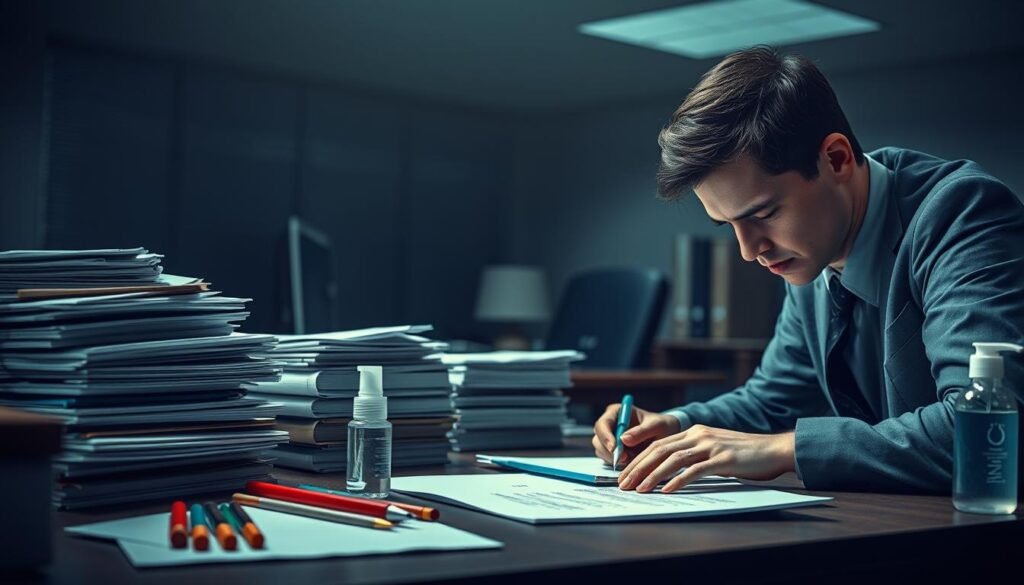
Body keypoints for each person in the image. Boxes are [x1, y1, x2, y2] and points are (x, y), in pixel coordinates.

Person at [593, 46, 1024, 494]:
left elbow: (984, 428)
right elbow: (772, 402)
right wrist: (674, 427)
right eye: (729, 225)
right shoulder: (812, 248)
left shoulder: (964, 214)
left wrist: (785, 451)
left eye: (763, 214)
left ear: (836, 159)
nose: (748, 250)